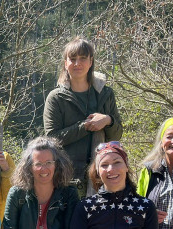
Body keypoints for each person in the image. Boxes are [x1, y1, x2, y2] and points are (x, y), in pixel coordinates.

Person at [44, 37, 123, 196]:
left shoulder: (105, 94)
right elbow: (52, 139)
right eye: (72, 59)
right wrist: (85, 126)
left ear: (91, 61)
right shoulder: (56, 98)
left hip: (104, 176)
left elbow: (117, 135)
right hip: (67, 179)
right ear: (65, 63)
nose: (77, 63)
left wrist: (108, 120)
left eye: (82, 58)